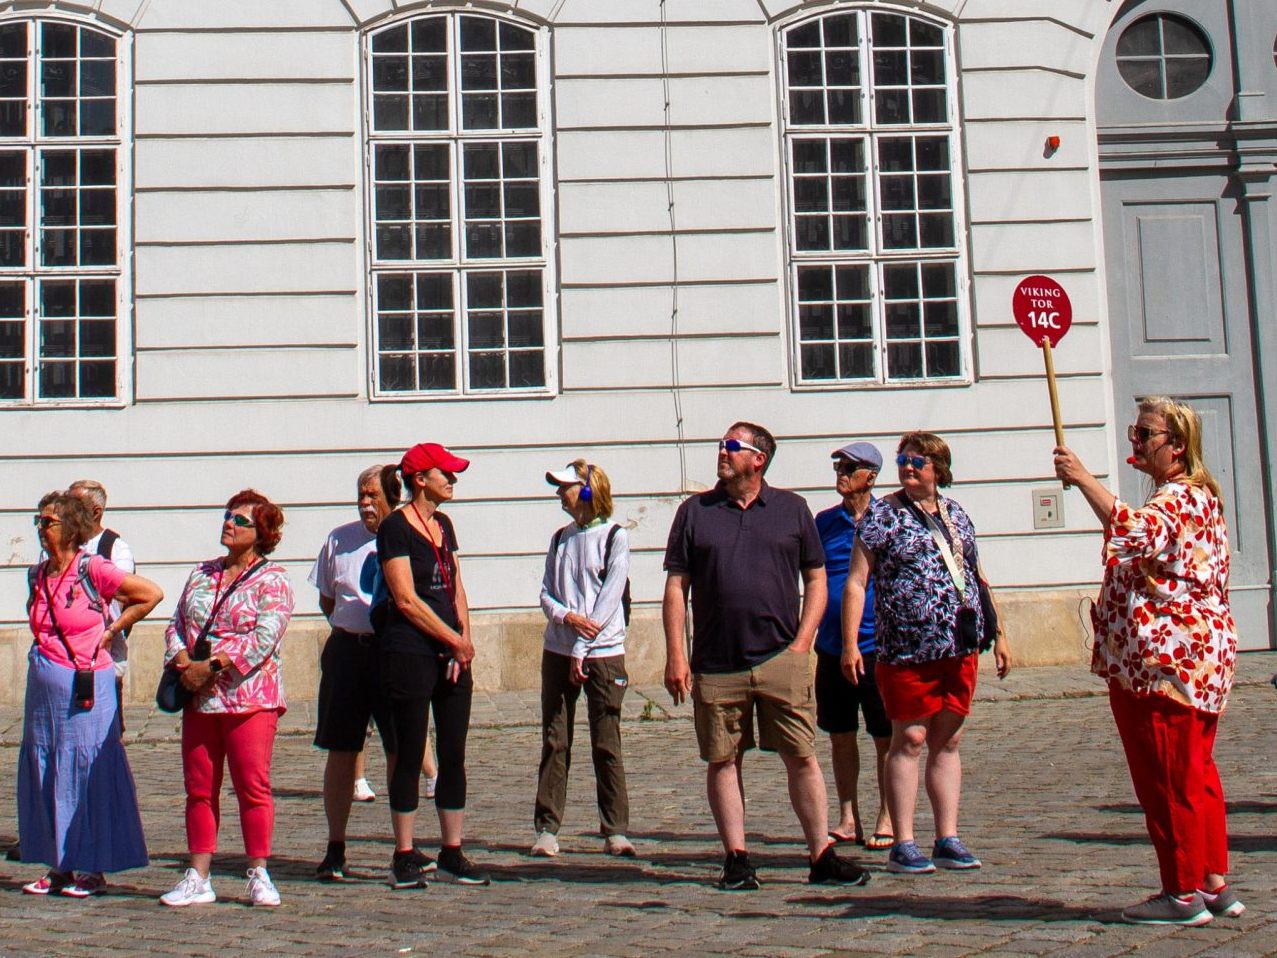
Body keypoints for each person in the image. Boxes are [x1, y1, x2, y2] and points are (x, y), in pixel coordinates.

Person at [1054, 397, 1242, 925]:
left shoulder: (1178, 499)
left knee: (1167, 776)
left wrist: (1084, 478)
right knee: (1195, 772)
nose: (1135, 441)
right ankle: (1211, 881)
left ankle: (1181, 892)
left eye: (1145, 434)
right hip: (1191, 659)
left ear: (1176, 446)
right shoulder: (1196, 497)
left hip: (1163, 660)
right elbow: (1135, 537)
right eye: (1134, 432)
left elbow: (1131, 530)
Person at [663, 421, 870, 890]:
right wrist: (677, 653)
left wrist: (802, 643)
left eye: (731, 446)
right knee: (723, 759)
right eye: (720, 444)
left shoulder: (792, 510)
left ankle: (821, 854)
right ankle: (736, 859)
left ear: (758, 459)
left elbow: (816, 579)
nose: (722, 451)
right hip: (716, 662)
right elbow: (677, 586)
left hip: (782, 656)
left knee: (801, 756)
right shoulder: (695, 512)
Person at [842, 432, 1011, 876]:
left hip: (959, 645)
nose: (908, 467)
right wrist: (849, 643)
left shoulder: (956, 514)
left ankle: (947, 836)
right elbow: (857, 581)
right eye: (903, 460)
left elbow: (976, 575)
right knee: (910, 739)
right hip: (906, 649)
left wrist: (1001, 633)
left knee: (948, 739)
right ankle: (903, 841)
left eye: (917, 461)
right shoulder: (883, 515)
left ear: (939, 468)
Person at [18, 491, 162, 898]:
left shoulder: (92, 568)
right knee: (48, 772)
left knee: (86, 773)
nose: (41, 528)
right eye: (39, 521)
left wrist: (114, 630)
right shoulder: (36, 574)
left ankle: (93, 866)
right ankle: (58, 864)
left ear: (70, 527)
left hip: (86, 687)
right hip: (43, 690)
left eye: (49, 521)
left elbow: (150, 594)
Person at [159, 490, 295, 908]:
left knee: (252, 785)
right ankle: (198, 875)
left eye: (240, 521)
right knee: (199, 787)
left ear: (262, 533)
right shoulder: (201, 574)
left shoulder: (274, 580)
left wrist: (213, 667)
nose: (229, 524)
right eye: (228, 516)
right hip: (200, 699)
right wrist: (182, 660)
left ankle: (257, 871)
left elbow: (265, 637)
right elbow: (177, 623)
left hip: (248, 698)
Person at [374, 442, 487, 889]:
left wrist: (465, 639)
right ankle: (403, 853)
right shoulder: (395, 529)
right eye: (447, 473)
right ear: (420, 479)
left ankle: (452, 849)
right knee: (409, 748)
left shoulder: (445, 523)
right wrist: (451, 638)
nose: (453, 480)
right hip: (410, 650)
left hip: (452, 652)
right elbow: (405, 598)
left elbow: (456, 584)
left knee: (454, 752)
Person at [532, 460, 634, 858]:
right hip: (558, 648)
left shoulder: (614, 537)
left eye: (567, 487)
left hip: (602, 653)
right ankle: (547, 826)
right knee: (555, 739)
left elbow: (610, 596)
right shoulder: (560, 539)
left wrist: (583, 644)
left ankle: (615, 828)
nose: (561, 494)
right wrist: (565, 617)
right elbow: (546, 591)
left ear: (589, 491)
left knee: (606, 742)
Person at [311, 465, 403, 881]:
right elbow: (328, 601)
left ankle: (405, 846)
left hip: (393, 650)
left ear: (392, 495)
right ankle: (335, 846)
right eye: (360, 495)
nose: (365, 503)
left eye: (372, 495)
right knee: (341, 749)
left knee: (399, 747)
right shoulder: (339, 539)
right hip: (349, 649)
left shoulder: (406, 532)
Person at [814, 442, 893, 850]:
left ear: (872, 476)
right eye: (838, 466)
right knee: (840, 733)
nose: (841, 472)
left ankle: (887, 813)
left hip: (877, 644)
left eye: (849, 467)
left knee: (885, 735)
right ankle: (848, 817)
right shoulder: (824, 522)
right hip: (830, 646)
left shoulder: (889, 518)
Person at [66, 480, 135, 706]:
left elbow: (129, 596)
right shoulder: (60, 545)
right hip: (63, 655)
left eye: (74, 504)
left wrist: (113, 630)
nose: (67, 510)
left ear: (96, 512)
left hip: (102, 655)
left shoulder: (115, 547)